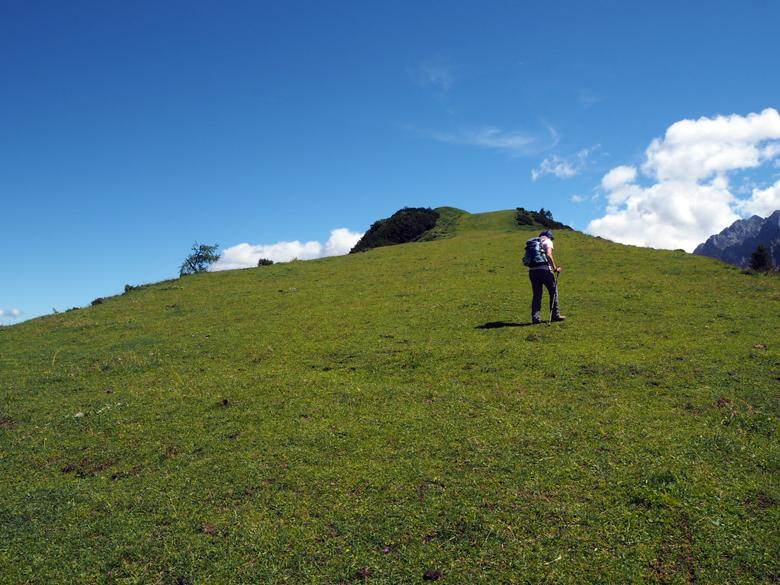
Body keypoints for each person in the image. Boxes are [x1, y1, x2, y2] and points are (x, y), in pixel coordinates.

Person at [528, 230, 566, 324]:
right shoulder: (548, 241)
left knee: (537, 295)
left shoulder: (534, 243)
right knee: (553, 292)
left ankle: (535, 318)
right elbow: (549, 254)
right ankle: (555, 315)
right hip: (544, 270)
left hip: (532, 271)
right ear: (549, 237)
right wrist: (555, 268)